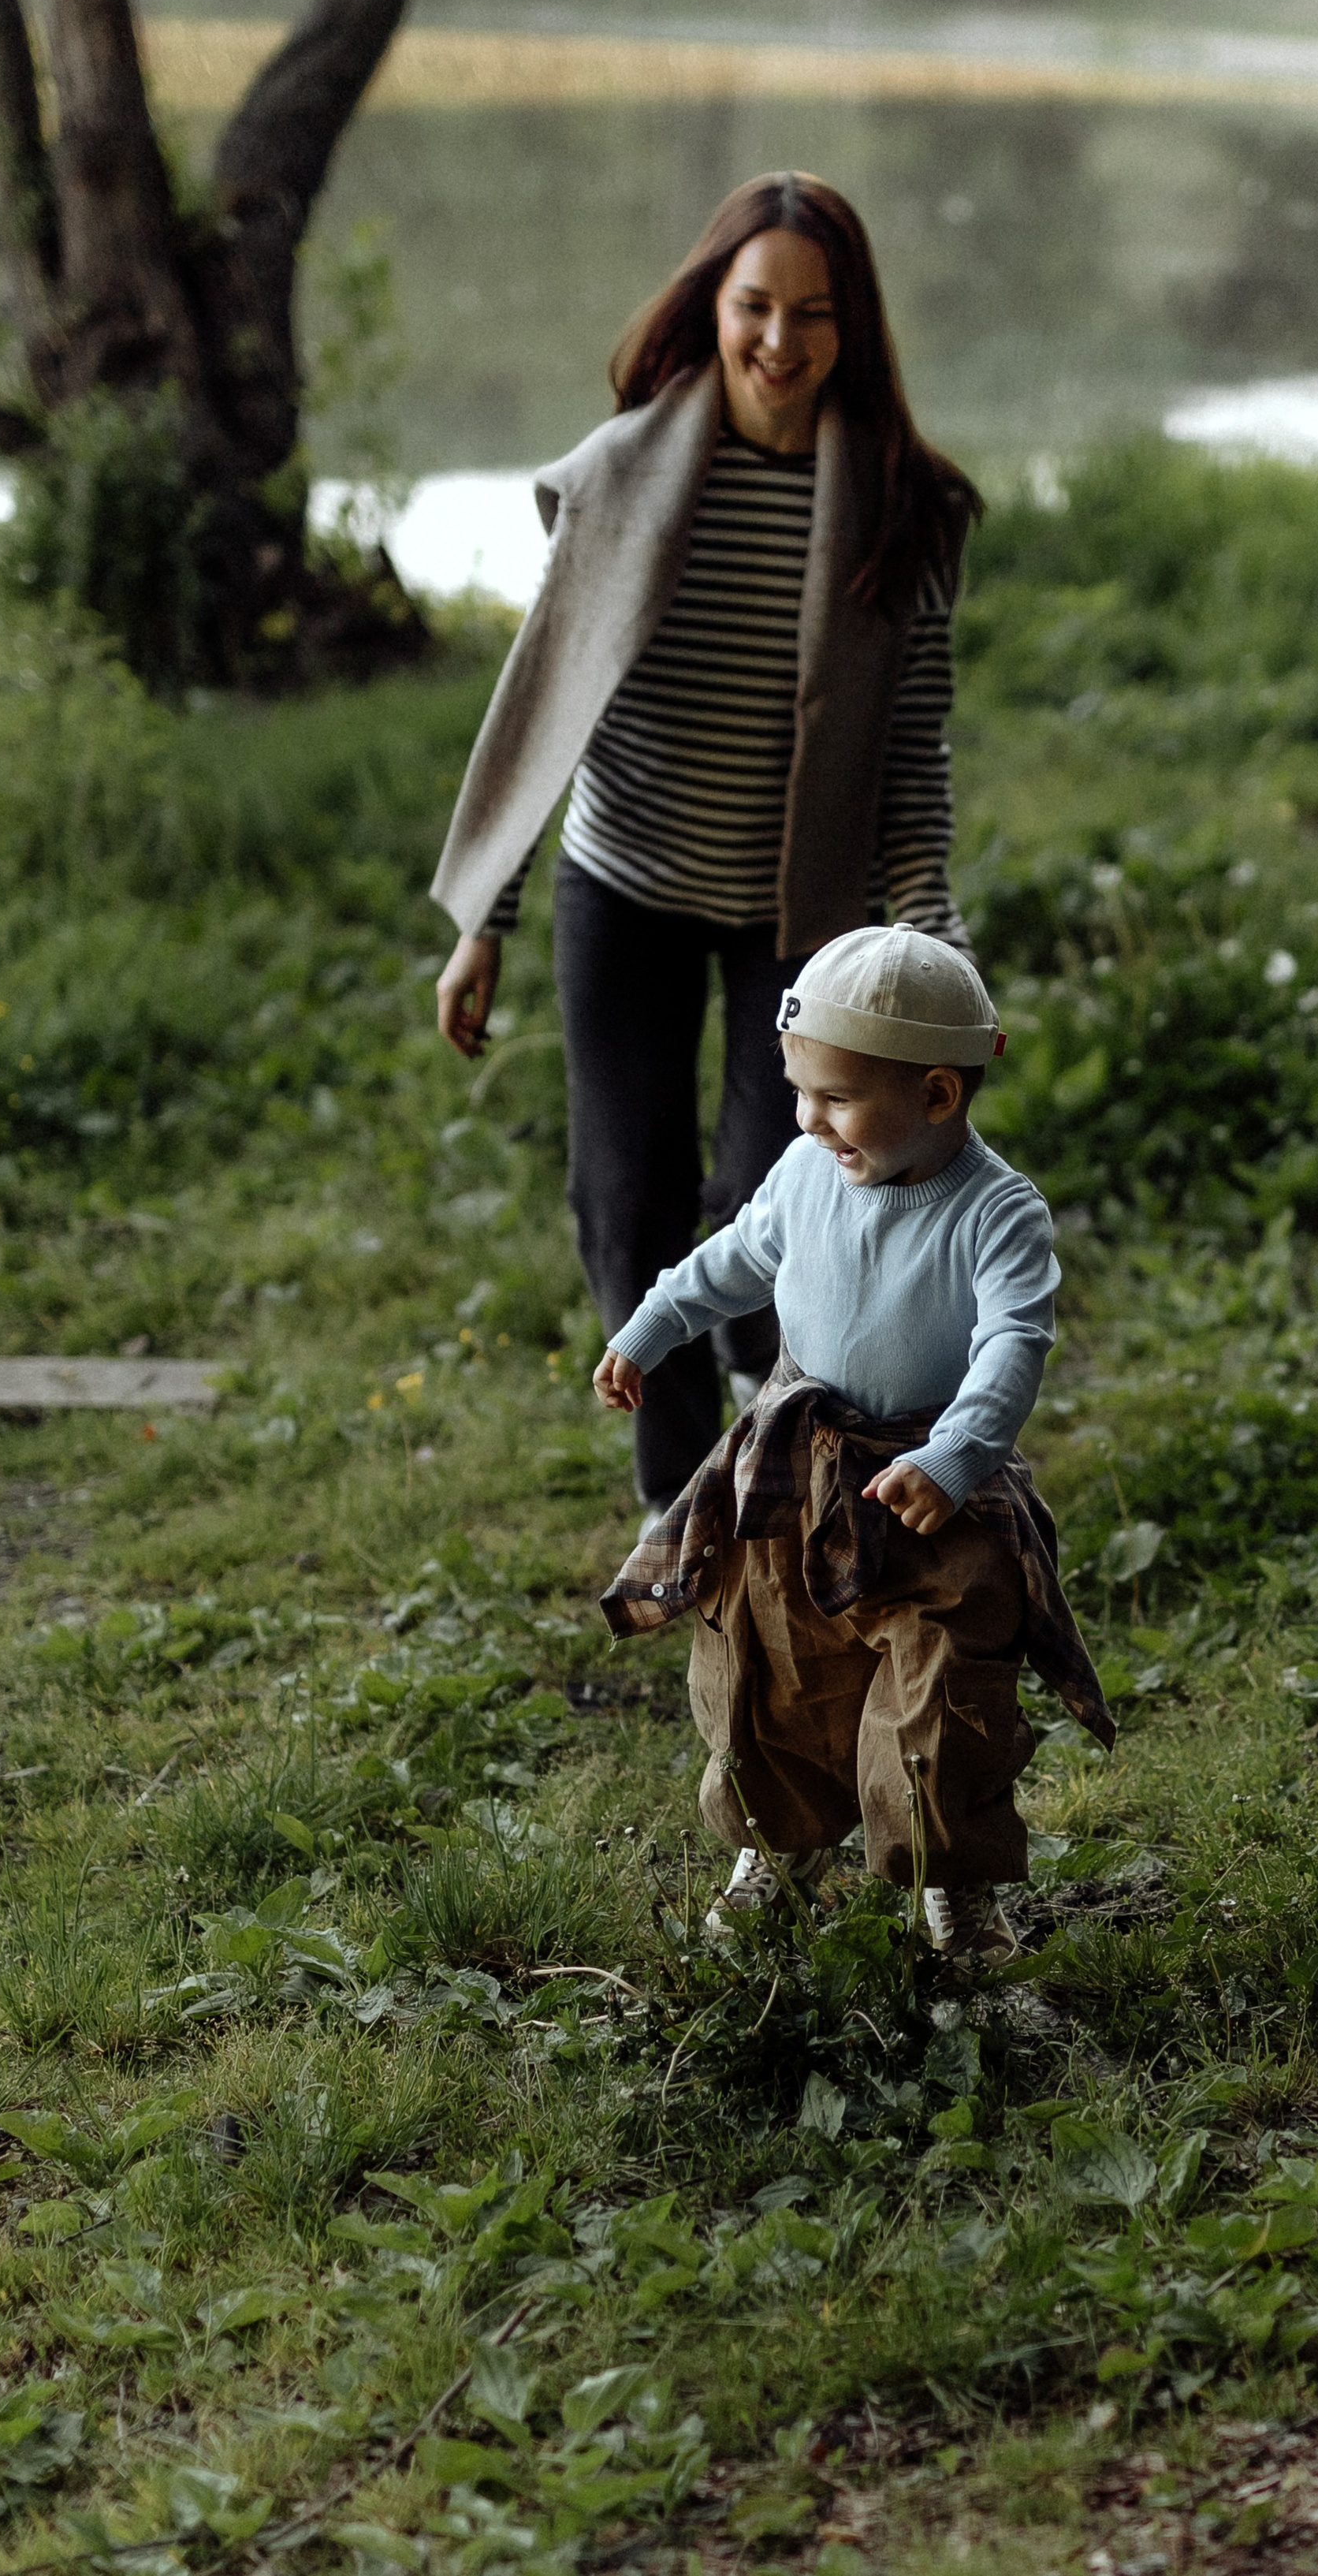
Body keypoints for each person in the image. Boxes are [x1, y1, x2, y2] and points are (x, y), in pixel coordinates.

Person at [430, 174, 981, 1523]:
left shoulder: (904, 507)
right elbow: (542, 706)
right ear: (713, 307)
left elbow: (912, 756)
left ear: (852, 327)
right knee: (627, 1202)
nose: (780, 341)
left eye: (813, 312)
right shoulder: (624, 476)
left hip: (802, 915)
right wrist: (486, 917)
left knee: (765, 1191)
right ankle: (682, 1512)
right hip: (624, 890)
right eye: (754, 306)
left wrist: (933, 938)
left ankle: (770, 1392)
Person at [590, 925, 1115, 1966]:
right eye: (799, 1091)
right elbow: (732, 1260)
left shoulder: (996, 1212)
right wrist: (648, 1328)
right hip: (800, 1468)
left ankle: (950, 1879)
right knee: (774, 1665)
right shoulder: (805, 1171)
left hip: (928, 1485)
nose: (807, 1118)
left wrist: (956, 1454)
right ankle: (779, 1846)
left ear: (938, 1094)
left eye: (835, 1097)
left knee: (943, 1682)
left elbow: (1014, 1341)